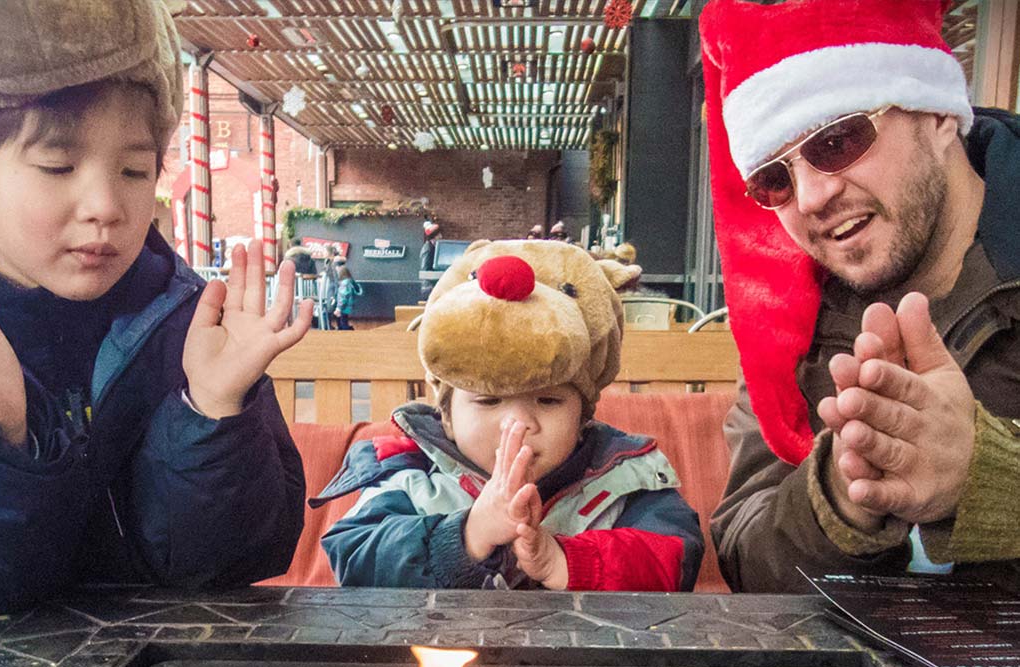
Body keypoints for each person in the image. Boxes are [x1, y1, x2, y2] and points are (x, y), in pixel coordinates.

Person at [0, 0, 312, 628]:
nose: (106, 205)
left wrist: (213, 409)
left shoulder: (188, 323)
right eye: (58, 166)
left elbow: (236, 561)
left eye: (134, 169)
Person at [700, 0, 1020, 592]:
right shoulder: (789, 322)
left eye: (839, 139)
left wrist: (987, 478)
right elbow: (745, 550)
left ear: (938, 116)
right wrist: (841, 500)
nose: (812, 196)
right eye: (775, 178)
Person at [313, 241, 704, 591]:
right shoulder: (408, 476)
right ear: (445, 415)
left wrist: (563, 560)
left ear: (584, 416)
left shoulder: (623, 479)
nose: (517, 425)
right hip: (441, 663)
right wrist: (466, 535)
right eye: (488, 401)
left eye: (548, 401)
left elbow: (676, 556)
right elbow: (353, 556)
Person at [333, 263, 361, 330]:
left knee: (343, 325)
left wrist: (339, 308)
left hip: (343, 306)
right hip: (347, 306)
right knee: (344, 322)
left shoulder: (344, 283)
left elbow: (343, 296)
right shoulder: (349, 281)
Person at [420, 220, 442, 301]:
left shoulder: (433, 248)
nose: (441, 236)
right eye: (439, 234)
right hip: (428, 288)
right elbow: (425, 269)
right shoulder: (428, 249)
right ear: (434, 236)